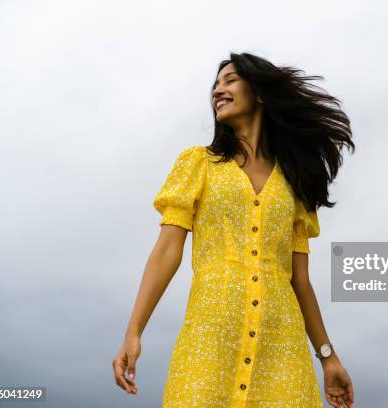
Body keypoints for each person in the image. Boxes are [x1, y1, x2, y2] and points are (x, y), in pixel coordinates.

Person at [113, 52, 356, 408]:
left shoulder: (295, 184)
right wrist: (133, 332)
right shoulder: (198, 164)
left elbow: (299, 280)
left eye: (229, 80)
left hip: (283, 352)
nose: (218, 90)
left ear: (259, 92)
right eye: (215, 84)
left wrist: (328, 357)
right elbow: (167, 252)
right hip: (209, 344)